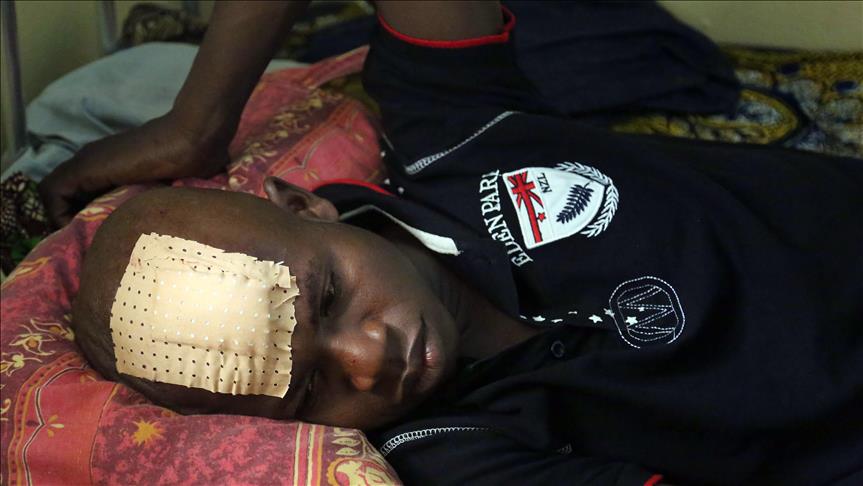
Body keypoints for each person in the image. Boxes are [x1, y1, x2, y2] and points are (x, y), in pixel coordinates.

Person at [62, 2, 862, 485]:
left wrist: (195, 123)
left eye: (330, 298)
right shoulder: (453, 452)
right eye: (309, 390)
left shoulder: (450, 130)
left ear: (306, 205)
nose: (369, 359)